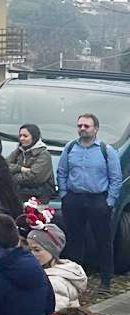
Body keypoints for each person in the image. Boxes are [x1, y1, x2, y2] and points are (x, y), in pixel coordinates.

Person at [57, 113, 121, 288]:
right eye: (80, 125)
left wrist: (109, 202)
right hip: (74, 199)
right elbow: (62, 172)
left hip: (98, 200)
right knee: (75, 240)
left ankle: (106, 280)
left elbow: (115, 178)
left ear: (96, 129)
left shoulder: (106, 150)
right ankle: (74, 278)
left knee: (103, 240)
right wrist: (64, 194)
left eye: (86, 126)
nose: (82, 129)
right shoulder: (70, 148)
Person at [27, 223, 87, 312]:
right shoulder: (59, 272)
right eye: (29, 250)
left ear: (52, 250)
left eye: (37, 250)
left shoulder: (54, 282)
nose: (32, 254)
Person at [10, 123, 55, 201]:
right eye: (20, 136)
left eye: (25, 136)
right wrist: (20, 168)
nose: (21, 138)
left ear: (34, 137)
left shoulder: (44, 155)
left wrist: (11, 177)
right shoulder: (19, 151)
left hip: (38, 198)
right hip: (19, 195)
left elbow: (34, 177)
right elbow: (3, 165)